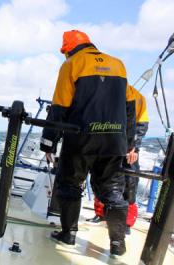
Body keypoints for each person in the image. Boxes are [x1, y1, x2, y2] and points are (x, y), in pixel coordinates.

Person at [40, 30, 136, 257]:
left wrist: (48, 145)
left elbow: (60, 107)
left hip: (81, 138)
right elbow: (129, 108)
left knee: (70, 185)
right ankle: (117, 244)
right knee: (112, 190)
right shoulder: (118, 65)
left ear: (69, 48)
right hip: (114, 141)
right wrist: (129, 143)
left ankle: (69, 234)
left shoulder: (72, 64)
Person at [87, 85, 149, 235]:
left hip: (129, 147)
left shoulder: (137, 97)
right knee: (100, 177)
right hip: (107, 143)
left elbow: (141, 124)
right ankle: (101, 214)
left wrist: (135, 148)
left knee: (130, 182)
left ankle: (126, 223)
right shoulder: (104, 91)